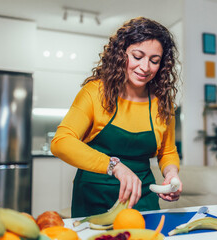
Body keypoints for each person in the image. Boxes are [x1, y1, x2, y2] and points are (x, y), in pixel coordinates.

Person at [50, 17, 182, 218]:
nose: (145, 67)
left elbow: (168, 151)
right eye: (137, 56)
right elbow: (61, 142)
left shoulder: (162, 103)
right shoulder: (95, 92)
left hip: (142, 198)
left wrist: (171, 174)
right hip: (94, 196)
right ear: (121, 54)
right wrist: (115, 166)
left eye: (154, 61)